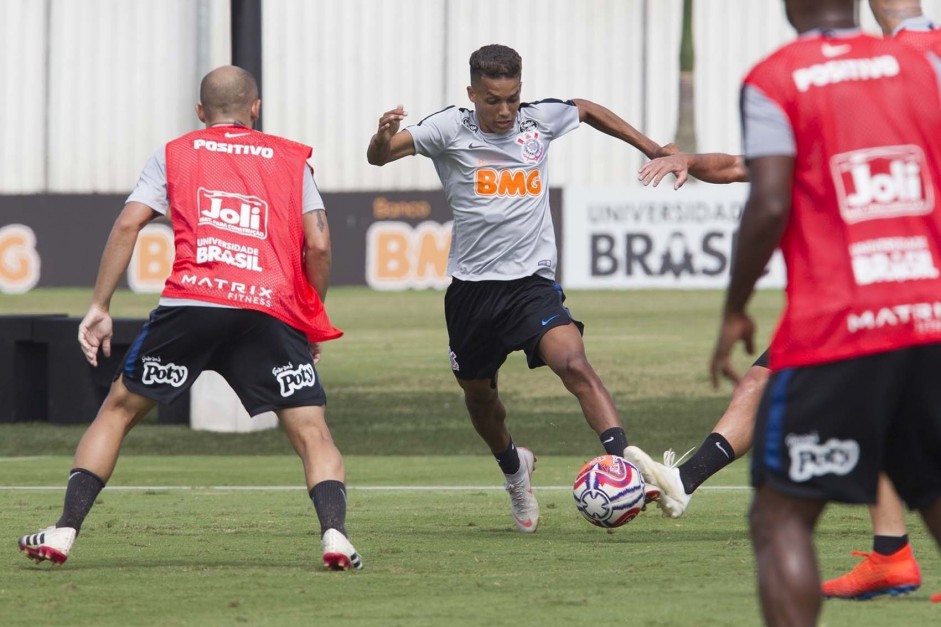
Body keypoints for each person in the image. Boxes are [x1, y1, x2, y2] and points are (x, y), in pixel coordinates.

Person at [629, 0, 941, 605]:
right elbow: (739, 169)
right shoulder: (915, 67)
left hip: (845, 311)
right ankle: (890, 554)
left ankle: (890, 555)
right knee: (907, 458)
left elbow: (768, 199)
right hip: (921, 306)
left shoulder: (781, 78)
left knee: (779, 516)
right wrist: (689, 159)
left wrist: (734, 307)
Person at [17, 66, 363, 571]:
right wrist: (308, 316)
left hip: (193, 306)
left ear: (201, 113)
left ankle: (65, 531)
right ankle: (335, 536)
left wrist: (100, 306)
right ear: (255, 108)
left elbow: (128, 224)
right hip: (266, 310)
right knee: (312, 430)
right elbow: (320, 244)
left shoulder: (175, 152)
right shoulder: (292, 160)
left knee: (117, 411)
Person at [366, 44, 671, 533]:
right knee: (480, 399)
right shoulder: (448, 128)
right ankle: (514, 469)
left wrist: (653, 148)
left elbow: (588, 110)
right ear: (472, 94)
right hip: (472, 293)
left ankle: (625, 465)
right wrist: (382, 137)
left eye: (512, 98)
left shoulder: (538, 121)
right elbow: (379, 159)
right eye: (492, 100)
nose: (505, 111)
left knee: (574, 364)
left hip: (532, 285)